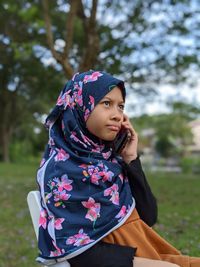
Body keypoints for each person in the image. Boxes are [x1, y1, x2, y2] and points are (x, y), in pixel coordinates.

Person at [36, 70, 200, 267]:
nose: (117, 115)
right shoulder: (60, 169)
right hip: (106, 258)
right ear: (79, 106)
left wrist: (131, 158)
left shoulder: (111, 162)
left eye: (121, 106)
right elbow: (73, 247)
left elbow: (149, 216)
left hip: (142, 248)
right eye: (106, 103)